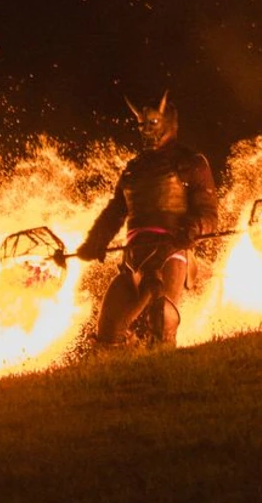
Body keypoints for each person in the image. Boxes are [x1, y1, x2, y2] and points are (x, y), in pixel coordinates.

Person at [75, 93, 217, 347]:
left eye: (151, 123)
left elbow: (208, 214)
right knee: (108, 332)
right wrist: (95, 241)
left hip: (171, 252)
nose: (144, 130)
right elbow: (116, 211)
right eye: (141, 124)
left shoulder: (191, 162)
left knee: (161, 323)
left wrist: (191, 229)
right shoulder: (133, 169)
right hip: (133, 258)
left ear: (168, 122)